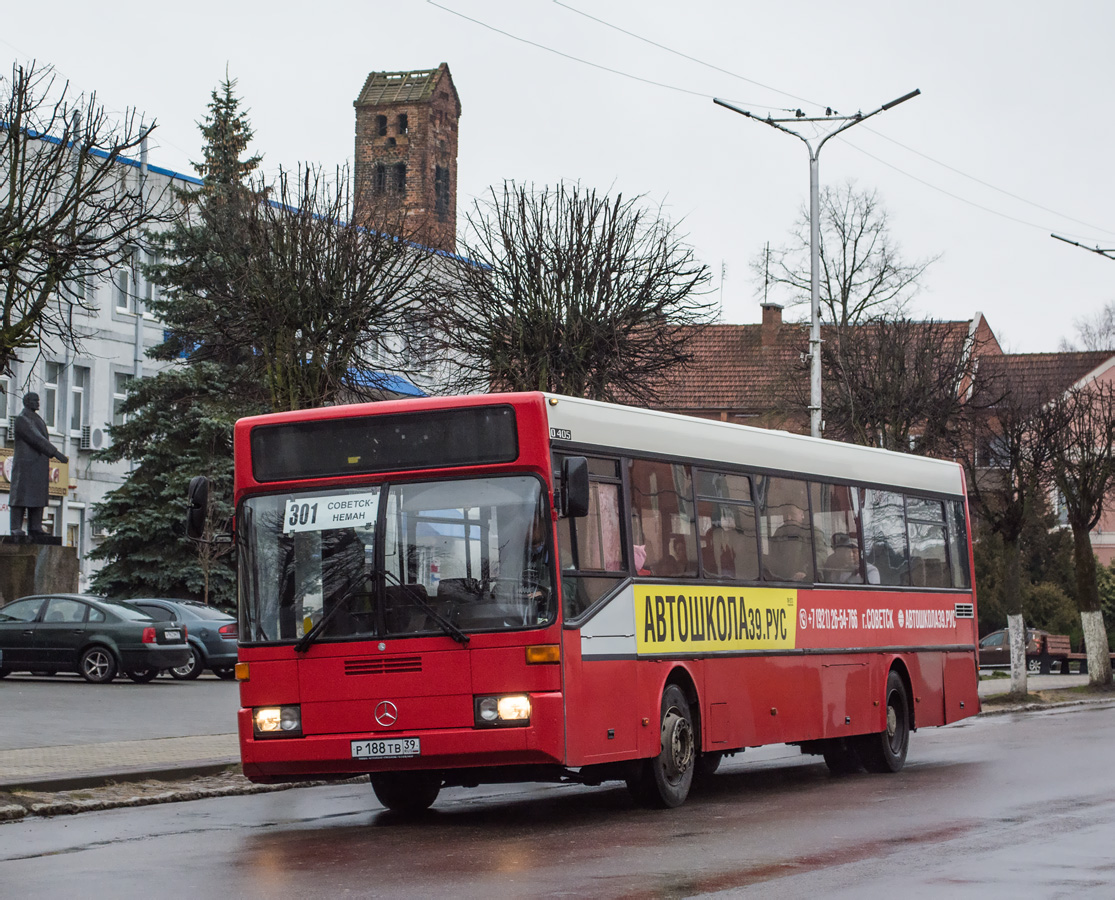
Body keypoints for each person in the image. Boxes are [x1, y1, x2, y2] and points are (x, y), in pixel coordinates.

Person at [9, 393, 68, 536]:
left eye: (38, 400)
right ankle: (16, 526)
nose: (38, 403)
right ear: (27, 402)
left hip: (38, 465)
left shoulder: (36, 419)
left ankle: (35, 526)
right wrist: (56, 453)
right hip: (26, 465)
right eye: (35, 400)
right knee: (21, 495)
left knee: (37, 495)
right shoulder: (22, 419)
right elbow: (36, 438)